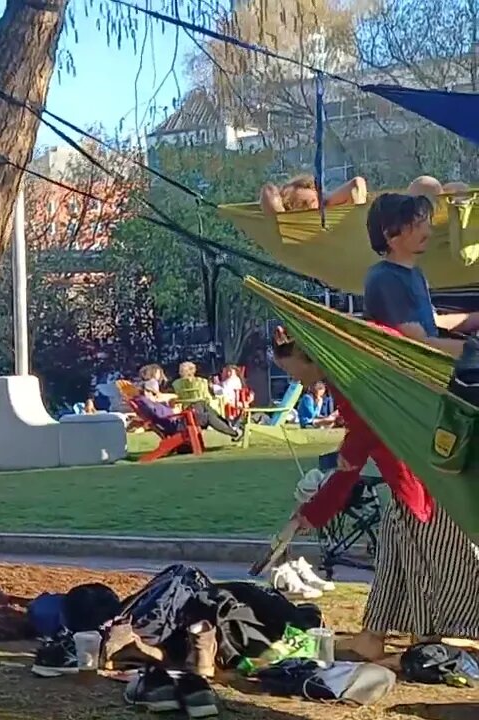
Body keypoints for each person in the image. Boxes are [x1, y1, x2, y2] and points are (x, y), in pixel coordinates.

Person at [272, 327, 479, 660]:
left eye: (290, 370)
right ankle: (374, 636)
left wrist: (316, 509)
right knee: (395, 551)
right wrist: (314, 511)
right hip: (413, 476)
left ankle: (440, 637)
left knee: (434, 557)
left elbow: (362, 440)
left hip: (427, 479)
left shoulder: (352, 379)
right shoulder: (347, 376)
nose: (294, 381)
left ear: (308, 356)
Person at [363, 193, 479, 357]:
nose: (428, 232)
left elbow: (433, 322)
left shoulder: (415, 273)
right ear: (391, 235)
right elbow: (421, 345)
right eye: (417, 226)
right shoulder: (384, 279)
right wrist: (473, 350)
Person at [135, 378, 242, 442]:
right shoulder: (146, 402)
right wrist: (174, 411)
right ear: (147, 391)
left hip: (178, 419)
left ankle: (228, 424)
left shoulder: (148, 402)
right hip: (177, 424)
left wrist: (163, 404)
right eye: (153, 392)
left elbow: (161, 411)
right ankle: (234, 433)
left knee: (201, 403)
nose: (155, 394)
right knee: (207, 417)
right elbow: (161, 415)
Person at [260, 173, 367, 215]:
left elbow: (357, 183)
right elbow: (268, 194)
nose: (316, 203)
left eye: (319, 198)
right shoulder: (293, 230)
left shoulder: (334, 211)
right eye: (304, 203)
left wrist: (327, 200)